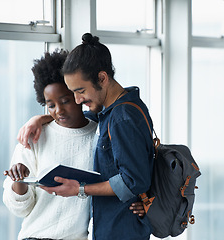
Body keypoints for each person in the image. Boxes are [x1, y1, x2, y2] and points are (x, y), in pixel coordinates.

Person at [17, 33, 155, 240]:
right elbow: (81, 118)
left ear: (102, 78)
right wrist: (40, 119)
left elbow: (133, 181)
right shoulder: (112, 111)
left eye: (80, 91)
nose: (78, 100)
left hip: (121, 230)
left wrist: (80, 189)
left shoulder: (122, 117)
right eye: (73, 93)